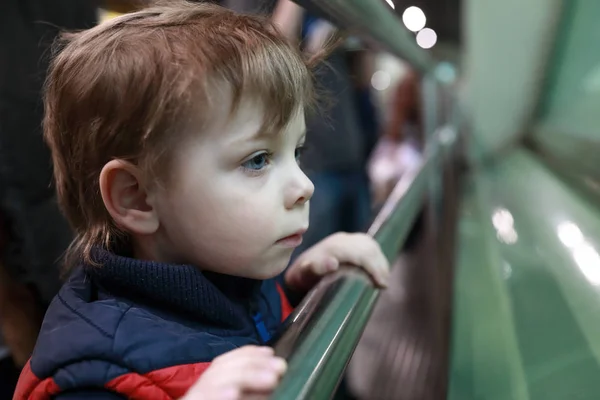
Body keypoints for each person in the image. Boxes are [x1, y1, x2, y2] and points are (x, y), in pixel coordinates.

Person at [12, 2, 390, 399]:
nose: (304, 186)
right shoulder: (90, 377)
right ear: (137, 197)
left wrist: (297, 296)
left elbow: (244, 332)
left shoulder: (229, 272)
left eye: (296, 152)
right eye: (257, 160)